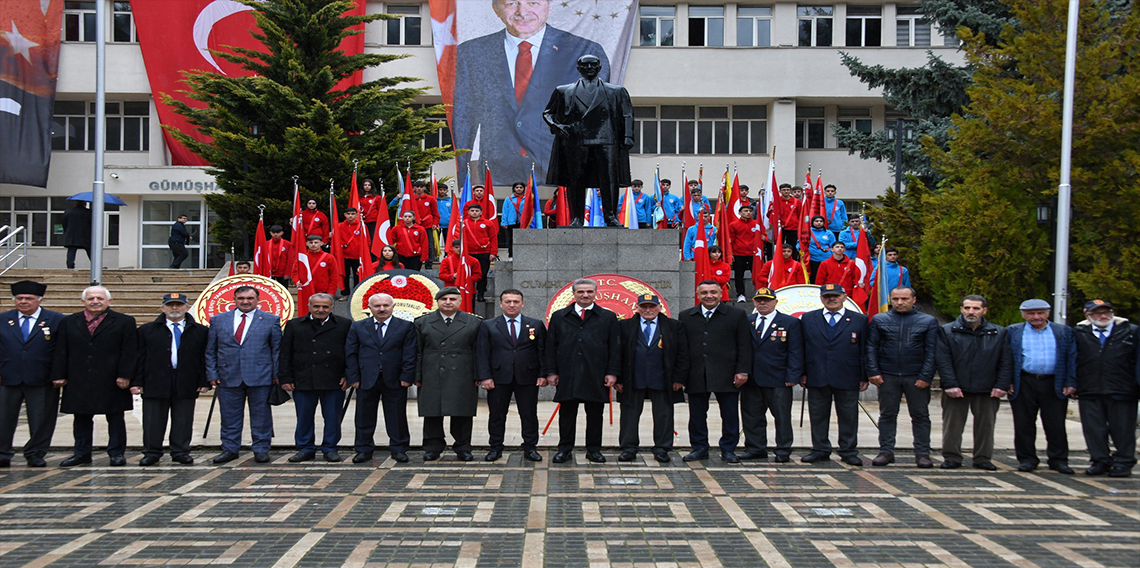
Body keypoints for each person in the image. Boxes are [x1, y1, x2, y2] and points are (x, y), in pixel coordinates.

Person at [453, 0, 610, 187]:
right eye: (511, 3)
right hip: (497, 171)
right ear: (496, 8)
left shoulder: (585, 52)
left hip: (561, 169)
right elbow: (463, 118)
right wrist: (463, 177)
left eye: (533, 2)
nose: (522, 11)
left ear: (549, 7)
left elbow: (596, 120)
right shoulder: (471, 53)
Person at [52, 286, 138, 467]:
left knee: (115, 418)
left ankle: (116, 453)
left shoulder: (124, 322)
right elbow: (61, 350)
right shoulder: (69, 322)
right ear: (83, 301)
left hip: (112, 378)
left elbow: (129, 351)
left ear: (109, 301)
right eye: (90, 298)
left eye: (99, 298)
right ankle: (81, 453)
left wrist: (125, 375)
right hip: (79, 378)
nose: (95, 301)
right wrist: (59, 375)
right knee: (81, 418)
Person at [544, 54, 633, 227]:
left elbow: (627, 115)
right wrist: (558, 127)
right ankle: (576, 217)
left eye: (593, 65)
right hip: (576, 140)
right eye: (585, 65)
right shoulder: (564, 90)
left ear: (600, 68)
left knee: (609, 179)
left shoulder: (615, 91)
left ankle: (610, 216)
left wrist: (628, 136)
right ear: (579, 68)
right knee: (575, 179)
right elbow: (548, 113)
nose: (589, 68)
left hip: (606, 139)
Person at [545, 278, 621, 463]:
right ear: (574, 294)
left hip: (596, 374)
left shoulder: (607, 317)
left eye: (589, 292)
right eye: (580, 292)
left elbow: (615, 347)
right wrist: (551, 371)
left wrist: (612, 372)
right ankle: (564, 449)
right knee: (567, 414)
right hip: (567, 374)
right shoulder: (559, 316)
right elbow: (551, 346)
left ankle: (594, 450)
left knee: (595, 415)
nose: (585, 295)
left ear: (596, 293)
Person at [205, 285, 283, 464]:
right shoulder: (218, 320)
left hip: (260, 375)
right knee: (229, 416)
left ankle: (261, 449)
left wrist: (276, 374)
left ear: (257, 300)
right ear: (234, 299)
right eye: (241, 298)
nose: (245, 302)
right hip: (227, 375)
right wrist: (212, 373)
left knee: (261, 415)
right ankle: (230, 449)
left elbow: (276, 350)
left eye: (250, 298)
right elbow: (211, 350)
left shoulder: (270, 320)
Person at [935, 294, 1012, 470]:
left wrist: (1001, 385)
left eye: (976, 308)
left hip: (987, 388)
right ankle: (952, 457)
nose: (971, 312)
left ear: (984, 310)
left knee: (986, 425)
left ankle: (983, 458)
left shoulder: (999, 332)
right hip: (956, 387)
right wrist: (950, 384)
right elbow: (943, 360)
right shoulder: (947, 331)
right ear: (961, 309)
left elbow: (1006, 361)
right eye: (967, 308)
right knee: (952, 425)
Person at [678, 280, 751, 463]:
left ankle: (728, 449)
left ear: (720, 294)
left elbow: (744, 345)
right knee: (696, 415)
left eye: (713, 292)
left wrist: (742, 371)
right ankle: (700, 447)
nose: (709, 296)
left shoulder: (737, 314)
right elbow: (682, 348)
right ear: (697, 295)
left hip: (727, 373)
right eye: (704, 293)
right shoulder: (686, 316)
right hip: (696, 373)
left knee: (729, 414)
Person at [866, 286, 939, 468]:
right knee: (887, 415)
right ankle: (886, 451)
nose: (899, 302)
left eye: (904, 299)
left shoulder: (928, 321)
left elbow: (932, 351)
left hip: (916, 376)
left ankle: (922, 453)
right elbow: (871, 348)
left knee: (921, 416)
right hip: (888, 375)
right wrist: (873, 371)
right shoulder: (880, 320)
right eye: (896, 299)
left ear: (913, 300)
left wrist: (926, 376)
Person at [133, 293, 209, 466]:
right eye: (170, 305)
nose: (175, 308)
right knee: (153, 420)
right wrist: (137, 381)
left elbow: (204, 358)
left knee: (183, 419)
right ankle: (152, 452)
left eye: (179, 305)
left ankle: (180, 451)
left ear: (187, 307)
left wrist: (203, 381)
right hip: (154, 380)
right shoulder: (146, 330)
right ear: (162, 308)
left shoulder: (200, 331)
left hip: (186, 380)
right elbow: (138, 357)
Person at [800, 284, 868, 466]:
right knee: (818, 415)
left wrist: (864, 375)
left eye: (836, 295)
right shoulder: (808, 318)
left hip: (848, 374)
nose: (832, 299)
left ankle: (848, 450)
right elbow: (801, 348)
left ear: (844, 296)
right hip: (816, 374)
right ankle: (820, 449)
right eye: (827, 296)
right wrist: (802, 373)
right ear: (821, 298)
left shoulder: (859, 320)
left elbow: (864, 350)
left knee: (848, 416)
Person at [278, 293, 351, 463]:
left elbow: (351, 352)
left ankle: (330, 448)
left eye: (325, 307)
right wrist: (285, 377)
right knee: (304, 416)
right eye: (316, 306)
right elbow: (285, 353)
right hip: (303, 379)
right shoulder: (294, 325)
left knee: (333, 417)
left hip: (334, 380)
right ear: (309, 306)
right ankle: (305, 448)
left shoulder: (344, 324)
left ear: (332, 307)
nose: (321, 310)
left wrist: (348, 375)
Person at [0, 280, 65, 468]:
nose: (23, 302)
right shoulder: (3, 319)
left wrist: (59, 374)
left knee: (41, 419)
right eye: (19, 298)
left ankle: (36, 453)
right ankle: (3, 453)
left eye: (29, 298)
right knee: (4, 418)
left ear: (39, 299)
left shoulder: (56, 320)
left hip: (42, 378)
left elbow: (61, 351)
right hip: (8, 377)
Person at [345, 293, 417, 464]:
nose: (382, 309)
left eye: (386, 305)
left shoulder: (405, 327)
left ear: (393, 307)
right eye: (377, 306)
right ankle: (363, 449)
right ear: (370, 308)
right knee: (363, 416)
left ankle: (399, 449)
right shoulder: (358, 326)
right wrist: (353, 377)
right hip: (365, 378)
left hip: (395, 378)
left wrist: (406, 376)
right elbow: (351, 353)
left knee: (397, 416)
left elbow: (410, 353)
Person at [476, 289, 546, 462]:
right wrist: (485, 376)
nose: (512, 305)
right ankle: (495, 447)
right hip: (498, 378)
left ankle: (530, 447)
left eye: (516, 301)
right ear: (501, 304)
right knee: (497, 415)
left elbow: (543, 352)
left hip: (527, 377)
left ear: (522, 304)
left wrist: (543, 374)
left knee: (529, 414)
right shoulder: (488, 325)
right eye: (508, 301)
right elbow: (482, 352)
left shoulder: (535, 324)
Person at [1007, 298, 1076, 474]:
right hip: (1024, 381)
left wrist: (1070, 382)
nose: (1036, 317)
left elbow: (1072, 358)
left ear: (1048, 313)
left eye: (1040, 313)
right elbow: (1006, 359)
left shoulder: (1063, 332)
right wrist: (1007, 381)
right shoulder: (1013, 331)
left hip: (1054, 382)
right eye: (1031, 313)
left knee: (1056, 424)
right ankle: (1027, 459)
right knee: (1023, 424)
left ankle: (1058, 460)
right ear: (1023, 315)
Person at [617, 294, 688, 463]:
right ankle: (628, 448)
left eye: (651, 306)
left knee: (663, 415)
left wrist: (679, 378)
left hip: (663, 378)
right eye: (644, 307)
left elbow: (683, 354)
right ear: (637, 307)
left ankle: (662, 448)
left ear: (659, 307)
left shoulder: (674, 326)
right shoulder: (624, 326)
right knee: (629, 415)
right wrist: (618, 377)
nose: (648, 310)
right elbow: (617, 353)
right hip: (632, 378)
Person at [414, 287, 482, 462]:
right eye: (444, 299)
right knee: (432, 412)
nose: (448, 302)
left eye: (453, 299)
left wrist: (478, 374)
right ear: (437, 302)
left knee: (462, 412)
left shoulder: (473, 322)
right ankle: (432, 447)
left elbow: (479, 351)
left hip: (463, 373)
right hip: (432, 371)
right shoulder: (422, 322)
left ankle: (463, 447)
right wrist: (417, 375)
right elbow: (417, 351)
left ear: (460, 301)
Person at [1073, 299, 1138, 477]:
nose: (1103, 316)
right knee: (1094, 428)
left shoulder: (1131, 331)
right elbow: (1073, 360)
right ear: (1088, 316)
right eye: (1097, 313)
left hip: (1122, 389)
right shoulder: (1079, 333)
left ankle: (1124, 462)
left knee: (1123, 428)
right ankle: (1100, 460)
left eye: (1106, 312)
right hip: (1089, 389)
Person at [740, 288, 803, 462]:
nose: (762, 303)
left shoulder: (790, 322)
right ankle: (755, 448)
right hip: (752, 379)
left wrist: (793, 376)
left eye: (766, 300)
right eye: (759, 300)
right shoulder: (747, 321)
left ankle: (783, 450)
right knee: (752, 416)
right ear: (753, 302)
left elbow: (796, 351)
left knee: (782, 417)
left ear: (775, 302)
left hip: (779, 379)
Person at [463, 203, 496, 302]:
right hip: (469, 253)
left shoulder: (488, 223)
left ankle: (480, 294)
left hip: (484, 252)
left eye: (477, 211)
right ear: (468, 212)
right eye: (472, 211)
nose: (474, 212)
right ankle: (469, 294)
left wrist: (493, 253)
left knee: (482, 274)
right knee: (469, 275)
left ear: (481, 212)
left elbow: (493, 238)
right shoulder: (463, 223)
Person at [298, 235, 337, 317]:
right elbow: (295, 272)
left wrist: (331, 291)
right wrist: (296, 281)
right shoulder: (302, 257)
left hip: (323, 291)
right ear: (306, 244)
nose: (313, 245)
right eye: (311, 242)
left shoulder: (329, 257)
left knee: (323, 312)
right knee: (307, 312)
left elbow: (334, 276)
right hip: (306, 290)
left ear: (321, 243)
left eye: (316, 242)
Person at [728, 205, 760, 301]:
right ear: (740, 213)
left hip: (753, 254)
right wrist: (731, 253)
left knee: (756, 275)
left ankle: (759, 292)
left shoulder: (757, 224)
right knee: (739, 275)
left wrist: (764, 238)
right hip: (739, 254)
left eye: (750, 211)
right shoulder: (733, 225)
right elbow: (731, 240)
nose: (748, 213)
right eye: (745, 211)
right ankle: (740, 295)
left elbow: (764, 236)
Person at [337, 207, 367, 296]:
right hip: (344, 255)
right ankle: (345, 294)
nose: (350, 216)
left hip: (357, 255)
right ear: (345, 215)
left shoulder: (361, 225)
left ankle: (356, 294)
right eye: (348, 214)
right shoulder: (339, 226)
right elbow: (336, 239)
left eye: (353, 214)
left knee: (357, 275)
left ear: (356, 215)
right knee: (344, 275)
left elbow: (367, 240)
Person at [411, 181, 440, 268]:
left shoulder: (430, 199)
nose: (419, 189)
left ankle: (429, 264)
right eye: (417, 187)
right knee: (414, 244)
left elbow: (436, 214)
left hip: (427, 226)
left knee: (429, 245)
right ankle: (416, 263)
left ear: (424, 188)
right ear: (414, 188)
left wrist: (435, 223)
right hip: (414, 226)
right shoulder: (411, 199)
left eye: (421, 187)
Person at [800, 215, 836, 281]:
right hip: (812, 259)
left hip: (826, 259)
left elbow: (833, 246)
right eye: (816, 221)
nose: (819, 223)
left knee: (826, 276)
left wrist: (831, 254)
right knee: (813, 276)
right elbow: (800, 243)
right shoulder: (807, 232)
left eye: (821, 221)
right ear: (812, 222)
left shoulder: (829, 233)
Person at [499, 182, 527, 256]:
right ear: (514, 189)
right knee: (511, 239)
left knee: (523, 239)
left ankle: (522, 255)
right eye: (517, 187)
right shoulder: (508, 199)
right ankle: (511, 255)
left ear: (524, 189)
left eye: (521, 187)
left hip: (523, 222)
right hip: (511, 222)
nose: (519, 189)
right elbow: (505, 211)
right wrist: (504, 222)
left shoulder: (527, 199)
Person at [62, 201, 91, 269]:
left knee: (71, 250)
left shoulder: (68, 212)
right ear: (85, 204)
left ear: (75, 204)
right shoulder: (89, 212)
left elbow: (64, 224)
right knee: (90, 250)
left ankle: (70, 266)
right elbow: (92, 224)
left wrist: (67, 232)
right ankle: (96, 265)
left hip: (71, 236)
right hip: (85, 235)